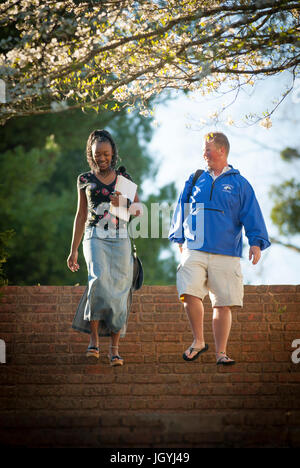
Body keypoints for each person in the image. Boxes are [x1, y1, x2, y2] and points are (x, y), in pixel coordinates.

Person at [168, 132, 271, 365]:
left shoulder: (240, 184)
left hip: (226, 251)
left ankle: (221, 353)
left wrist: (256, 242)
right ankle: (198, 341)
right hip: (195, 247)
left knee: (222, 304)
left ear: (222, 150)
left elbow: (251, 214)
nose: (204, 154)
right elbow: (181, 208)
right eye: (204, 149)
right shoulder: (196, 178)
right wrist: (179, 239)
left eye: (208, 149)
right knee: (188, 293)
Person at [67, 129, 142, 366]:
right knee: (98, 280)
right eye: (97, 154)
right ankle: (94, 340)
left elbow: (138, 211)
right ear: (91, 154)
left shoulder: (124, 180)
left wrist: (123, 205)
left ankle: (115, 348)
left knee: (119, 289)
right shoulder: (84, 179)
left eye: (106, 153)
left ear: (113, 153)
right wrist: (74, 249)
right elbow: (80, 215)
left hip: (120, 236)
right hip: (94, 235)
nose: (102, 158)